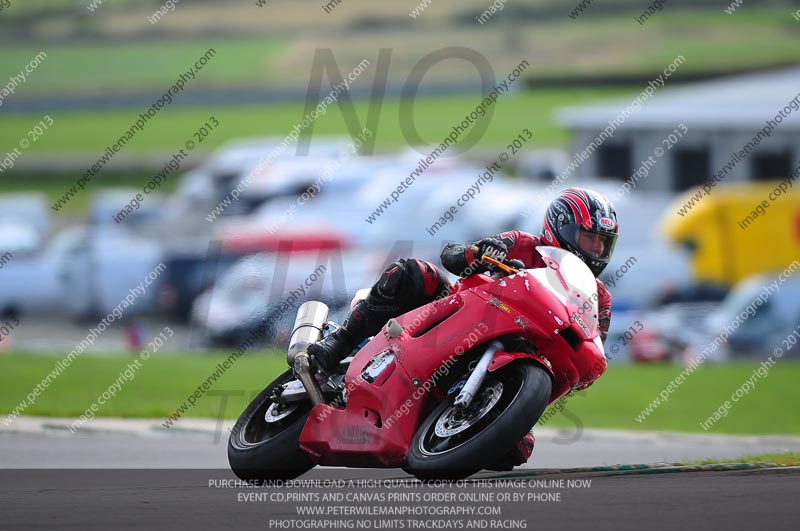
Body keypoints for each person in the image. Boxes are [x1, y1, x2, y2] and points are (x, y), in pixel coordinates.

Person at [308, 187, 618, 371]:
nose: (595, 250)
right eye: (589, 238)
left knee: (516, 449)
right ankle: (341, 342)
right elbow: (453, 256)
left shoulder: (598, 297)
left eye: (602, 243)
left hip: (521, 355)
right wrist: (481, 253)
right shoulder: (523, 243)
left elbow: (593, 351)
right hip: (461, 314)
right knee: (414, 272)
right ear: (561, 228)